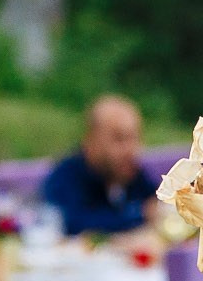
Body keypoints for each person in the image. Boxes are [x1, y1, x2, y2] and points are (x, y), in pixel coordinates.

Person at [40, 94, 159, 235]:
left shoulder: (129, 171)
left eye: (134, 138)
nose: (130, 150)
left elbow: (156, 202)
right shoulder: (65, 178)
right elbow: (73, 224)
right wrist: (140, 214)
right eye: (119, 139)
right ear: (92, 139)